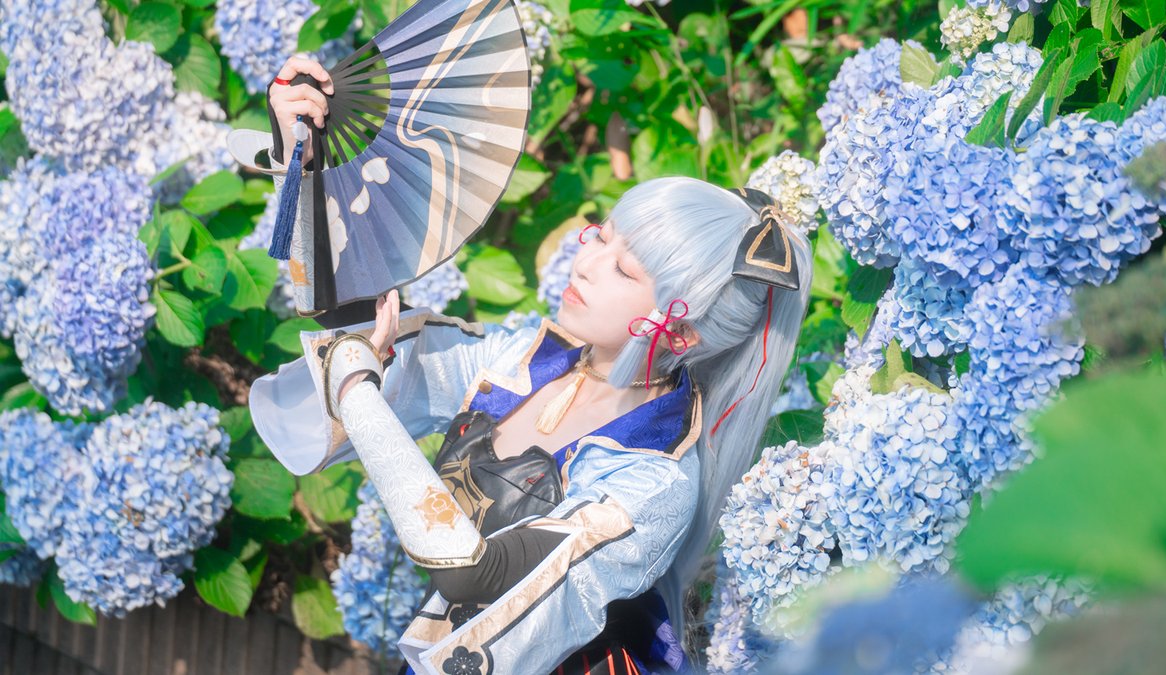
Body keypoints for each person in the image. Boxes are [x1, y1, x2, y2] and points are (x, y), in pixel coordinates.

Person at [245, 56, 814, 675]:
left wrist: (357, 386)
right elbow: (361, 327)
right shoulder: (525, 359)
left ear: (682, 330)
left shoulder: (654, 482)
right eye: (602, 235)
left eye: (625, 270)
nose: (585, 261)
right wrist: (307, 169)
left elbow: (474, 573)